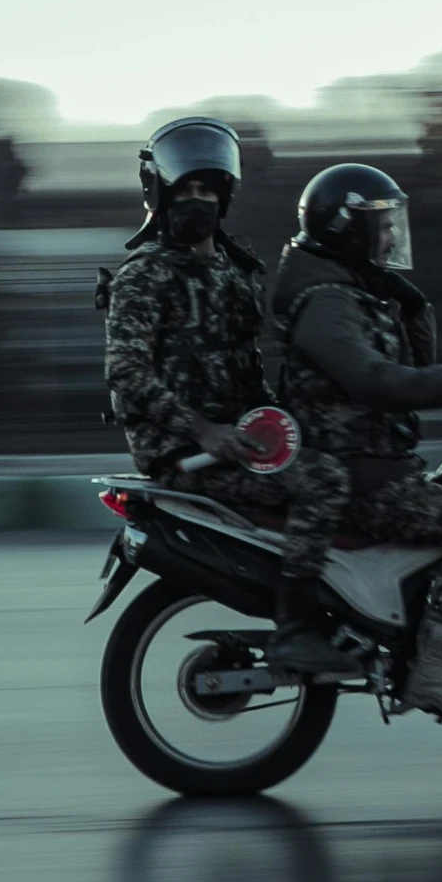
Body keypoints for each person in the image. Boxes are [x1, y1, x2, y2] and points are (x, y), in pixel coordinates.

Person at [101, 117, 359, 679]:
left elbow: (248, 372)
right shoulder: (143, 276)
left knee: (346, 463)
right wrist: (203, 432)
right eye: (186, 190)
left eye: (208, 191)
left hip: (235, 441)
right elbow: (126, 373)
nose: (198, 201)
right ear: (162, 196)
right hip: (186, 454)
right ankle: (295, 633)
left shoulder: (235, 274)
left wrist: (283, 424)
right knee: (324, 483)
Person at [269, 162, 442, 718]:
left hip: (384, 463)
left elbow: (412, 363)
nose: (389, 236)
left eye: (390, 224)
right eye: (379, 225)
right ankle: (434, 671)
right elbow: (376, 381)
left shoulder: (358, 294)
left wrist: (408, 302)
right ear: (345, 227)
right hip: (357, 473)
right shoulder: (326, 302)